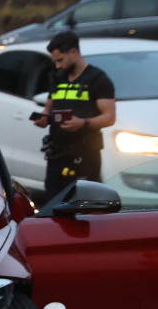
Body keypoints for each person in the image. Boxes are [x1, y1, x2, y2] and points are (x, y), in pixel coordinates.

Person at [33, 30, 116, 202]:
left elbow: (109, 117)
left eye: (60, 60)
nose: (57, 66)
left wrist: (83, 123)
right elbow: (49, 107)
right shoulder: (57, 78)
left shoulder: (97, 79)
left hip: (84, 156)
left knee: (84, 206)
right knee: (53, 205)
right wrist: (44, 118)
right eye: (54, 61)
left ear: (73, 52)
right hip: (57, 154)